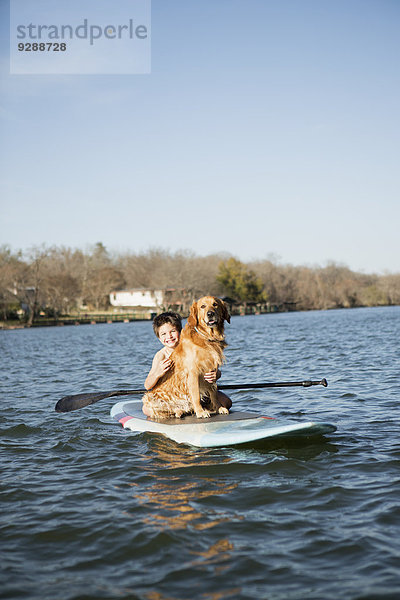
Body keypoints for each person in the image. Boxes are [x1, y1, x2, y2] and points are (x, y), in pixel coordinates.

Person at [144, 311, 232, 415]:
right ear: (159, 338)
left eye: (172, 331)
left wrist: (216, 375)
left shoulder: (193, 347)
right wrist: (157, 373)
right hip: (174, 395)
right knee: (147, 409)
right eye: (163, 334)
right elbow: (147, 385)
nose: (169, 336)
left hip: (198, 391)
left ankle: (196, 407)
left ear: (181, 331)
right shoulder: (161, 356)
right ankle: (177, 410)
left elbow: (211, 368)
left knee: (226, 401)